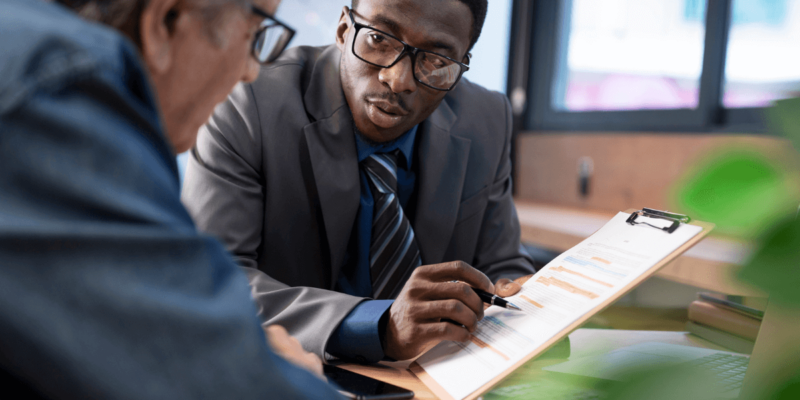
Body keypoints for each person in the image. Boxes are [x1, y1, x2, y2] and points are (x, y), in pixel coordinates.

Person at [0, 0, 342, 398]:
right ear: (165, 21)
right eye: (255, 34)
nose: (250, 70)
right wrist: (282, 376)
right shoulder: (59, 94)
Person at [182, 0, 536, 363]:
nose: (397, 80)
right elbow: (209, 280)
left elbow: (504, 266)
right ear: (343, 30)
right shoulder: (246, 101)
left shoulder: (487, 119)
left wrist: (526, 298)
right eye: (379, 39)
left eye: (435, 61)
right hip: (287, 369)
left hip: (437, 374)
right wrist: (379, 326)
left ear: (460, 68)